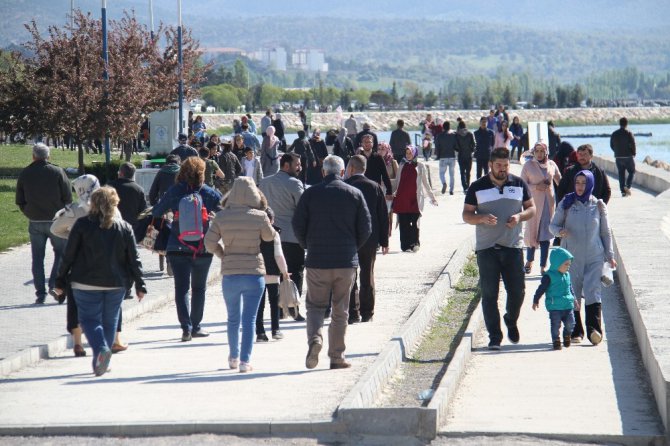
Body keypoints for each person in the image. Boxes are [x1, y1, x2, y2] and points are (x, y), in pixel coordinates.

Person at [54, 187, 146, 377]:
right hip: (116, 283)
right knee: (109, 320)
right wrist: (140, 284)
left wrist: (60, 279)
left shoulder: (81, 225)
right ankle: (102, 359)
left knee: (88, 319)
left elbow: (68, 255)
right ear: (115, 203)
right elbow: (134, 259)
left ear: (92, 203)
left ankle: (101, 351)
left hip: (84, 282)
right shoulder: (125, 227)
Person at [293, 155, 372, 370]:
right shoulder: (354, 194)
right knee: (341, 310)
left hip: (317, 260)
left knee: (315, 306)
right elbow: (366, 227)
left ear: (323, 172)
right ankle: (337, 357)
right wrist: (352, 247)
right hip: (345, 262)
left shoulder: (311, 194)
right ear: (343, 170)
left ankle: (315, 339)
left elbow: (297, 224)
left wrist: (307, 245)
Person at [462, 147, 536, 350]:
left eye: (505, 165)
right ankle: (495, 336)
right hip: (486, 248)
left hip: (512, 247)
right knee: (489, 294)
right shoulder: (477, 186)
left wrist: (520, 216)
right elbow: (466, 215)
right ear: (490, 165)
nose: (502, 169)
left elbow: (531, 208)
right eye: (499, 165)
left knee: (518, 291)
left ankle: (511, 320)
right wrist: (481, 218)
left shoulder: (518, 183)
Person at [204, 177, 275, 372]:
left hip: (230, 272)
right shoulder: (259, 216)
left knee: (233, 318)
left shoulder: (221, 217)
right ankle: (245, 361)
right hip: (254, 272)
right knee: (249, 320)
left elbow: (209, 243)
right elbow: (269, 237)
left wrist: (222, 254)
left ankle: (233, 357)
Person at [151, 157, 223, 342]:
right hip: (203, 247)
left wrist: (173, 213)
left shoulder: (174, 191)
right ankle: (196, 326)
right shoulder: (209, 192)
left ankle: (186, 329)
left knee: (181, 289)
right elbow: (224, 212)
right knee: (199, 288)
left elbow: (157, 211)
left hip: (177, 245)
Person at [550, 170, 617, 345]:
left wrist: (610, 255)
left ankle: (594, 330)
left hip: (594, 256)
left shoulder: (599, 205)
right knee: (573, 292)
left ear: (590, 184)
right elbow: (553, 225)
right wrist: (560, 231)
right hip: (571, 257)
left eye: (584, 183)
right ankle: (576, 331)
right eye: (577, 183)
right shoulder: (566, 203)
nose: (580, 186)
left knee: (593, 290)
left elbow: (605, 232)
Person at [51, 175, 101, 357]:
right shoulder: (108, 206)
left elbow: (55, 229)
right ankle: (105, 339)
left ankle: (78, 343)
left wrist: (73, 238)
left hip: (79, 262)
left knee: (75, 303)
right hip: (103, 261)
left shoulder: (74, 210)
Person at [15, 143, 72, 304]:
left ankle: (40, 293)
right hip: (56, 221)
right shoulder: (57, 171)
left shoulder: (25, 173)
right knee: (61, 253)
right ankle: (54, 284)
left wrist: (29, 212)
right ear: (48, 156)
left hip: (35, 221)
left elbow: (20, 200)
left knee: (37, 258)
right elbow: (68, 197)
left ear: (33, 156)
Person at [259, 153, 307, 322]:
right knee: (295, 272)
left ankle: (277, 310)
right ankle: (293, 308)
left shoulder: (264, 182)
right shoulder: (295, 183)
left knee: (273, 274)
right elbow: (303, 208)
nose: (299, 167)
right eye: (297, 164)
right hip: (291, 236)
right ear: (286, 165)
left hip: (268, 235)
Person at [345, 155, 389, 323]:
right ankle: (367, 312)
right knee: (367, 274)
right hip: (371, 238)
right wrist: (384, 241)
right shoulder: (375, 186)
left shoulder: (346, 186)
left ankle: (353, 312)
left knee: (350, 275)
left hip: (349, 238)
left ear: (351, 168)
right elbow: (383, 216)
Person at [520, 142, 562, 274]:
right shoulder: (528, 165)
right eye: (537, 151)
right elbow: (522, 185)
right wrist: (536, 187)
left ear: (546, 152)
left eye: (541, 151)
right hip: (533, 204)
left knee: (545, 235)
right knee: (532, 234)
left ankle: (543, 266)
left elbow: (560, 181)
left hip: (548, 205)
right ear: (533, 152)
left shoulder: (551, 164)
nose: (539, 154)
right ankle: (529, 261)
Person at [109, 162, 147, 303]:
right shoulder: (138, 189)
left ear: (121, 173)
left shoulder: (110, 187)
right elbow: (142, 212)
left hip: (111, 227)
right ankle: (127, 287)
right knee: (130, 258)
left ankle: (116, 284)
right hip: (131, 229)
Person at [393, 145, 438, 252]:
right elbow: (397, 181)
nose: (408, 155)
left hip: (415, 200)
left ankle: (415, 243)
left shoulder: (420, 166)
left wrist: (433, 197)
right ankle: (405, 246)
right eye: (407, 153)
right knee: (403, 223)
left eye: (410, 153)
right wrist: (392, 193)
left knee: (415, 222)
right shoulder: (402, 165)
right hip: (402, 199)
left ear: (414, 153)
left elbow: (426, 183)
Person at [255, 206, 290, 342]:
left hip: (257, 273)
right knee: (274, 302)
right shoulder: (274, 234)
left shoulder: (253, 233)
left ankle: (260, 332)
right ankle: (276, 330)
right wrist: (284, 272)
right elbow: (278, 256)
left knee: (259, 304)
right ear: (272, 220)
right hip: (272, 273)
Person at [531, 248, 576, 350]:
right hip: (555, 306)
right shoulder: (549, 276)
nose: (568, 267)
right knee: (556, 325)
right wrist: (536, 299)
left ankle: (567, 335)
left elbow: (570, 288)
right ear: (557, 263)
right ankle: (556, 340)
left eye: (569, 264)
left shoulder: (567, 275)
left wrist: (575, 299)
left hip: (568, 305)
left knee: (571, 323)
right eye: (566, 264)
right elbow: (541, 289)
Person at [359, 134, 394, 199]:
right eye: (365, 142)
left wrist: (389, 191)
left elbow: (385, 175)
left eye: (369, 142)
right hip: (361, 190)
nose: (367, 144)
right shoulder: (358, 157)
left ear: (373, 143)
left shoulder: (378, 158)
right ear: (361, 143)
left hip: (375, 190)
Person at [610, 117, 636, 197]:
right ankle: (627, 186)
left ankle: (623, 191)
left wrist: (616, 152)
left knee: (621, 174)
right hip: (628, 156)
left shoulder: (614, 133)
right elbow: (633, 144)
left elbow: (611, 145)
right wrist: (634, 152)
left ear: (620, 123)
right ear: (626, 124)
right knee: (632, 171)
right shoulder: (629, 133)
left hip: (618, 157)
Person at [434, 120, 457, 195]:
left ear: (443, 127)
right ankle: (451, 190)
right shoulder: (453, 135)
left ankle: (444, 183)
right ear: (449, 127)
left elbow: (437, 147)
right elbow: (456, 146)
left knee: (441, 173)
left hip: (443, 157)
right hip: (452, 156)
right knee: (452, 174)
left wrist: (438, 155)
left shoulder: (439, 136)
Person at [454, 120, 475, 193]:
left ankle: (464, 186)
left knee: (462, 172)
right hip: (469, 155)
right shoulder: (470, 134)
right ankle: (468, 186)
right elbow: (474, 144)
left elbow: (456, 146)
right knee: (468, 172)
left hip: (461, 155)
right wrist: (471, 150)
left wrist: (458, 150)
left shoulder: (457, 135)